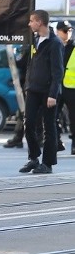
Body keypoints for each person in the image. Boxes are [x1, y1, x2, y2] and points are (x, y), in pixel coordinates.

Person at [18, 10, 64, 175]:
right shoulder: (34, 40)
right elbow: (30, 64)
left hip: (48, 92)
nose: (29, 24)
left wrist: (52, 94)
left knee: (49, 128)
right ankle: (34, 158)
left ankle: (47, 163)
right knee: (28, 124)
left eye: (32, 21)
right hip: (33, 89)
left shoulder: (55, 43)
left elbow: (58, 71)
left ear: (40, 22)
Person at [57, 21, 75, 155]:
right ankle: (56, 142)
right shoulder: (53, 45)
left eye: (69, 30)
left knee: (73, 117)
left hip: (71, 87)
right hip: (55, 86)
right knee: (52, 117)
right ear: (58, 31)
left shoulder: (74, 47)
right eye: (64, 30)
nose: (68, 33)